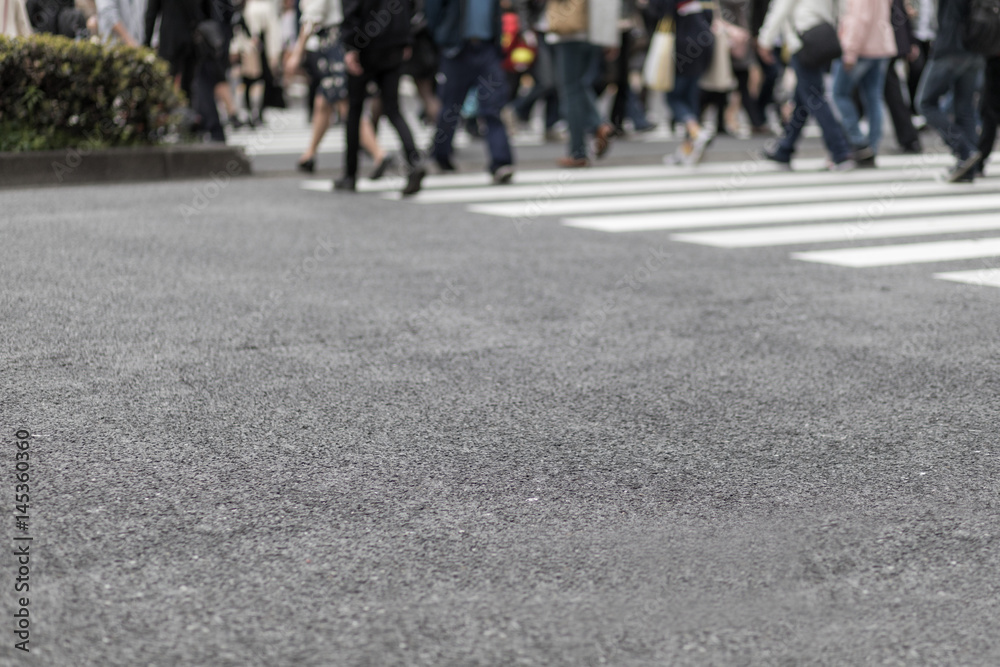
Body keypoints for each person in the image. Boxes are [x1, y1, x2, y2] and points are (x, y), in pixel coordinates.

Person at [337, 0, 426, 194]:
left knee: (354, 109)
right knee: (393, 109)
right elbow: (411, 6)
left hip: (365, 43)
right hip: (394, 42)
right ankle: (414, 160)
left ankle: (350, 174)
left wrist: (351, 46)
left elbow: (351, 10)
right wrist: (406, 38)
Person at [756, 0, 855, 170]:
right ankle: (785, 149)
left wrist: (765, 40)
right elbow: (842, 8)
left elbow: (781, 8)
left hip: (803, 39)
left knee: (814, 97)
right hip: (822, 36)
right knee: (804, 98)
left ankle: (840, 150)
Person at [426, 0, 516, 183]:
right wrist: (443, 38)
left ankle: (501, 162)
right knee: (451, 106)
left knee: (493, 107)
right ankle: (440, 155)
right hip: (457, 50)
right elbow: (432, 11)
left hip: (487, 48)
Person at [915, 0, 983, 182]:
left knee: (925, 104)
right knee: (965, 108)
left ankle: (964, 151)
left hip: (950, 48)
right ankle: (970, 166)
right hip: (975, 48)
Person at [548, 0, 618, 167]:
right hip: (593, 31)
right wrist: (609, 37)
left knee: (571, 90)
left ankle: (578, 151)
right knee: (579, 86)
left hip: (570, 31)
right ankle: (598, 125)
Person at [830, 0, 895, 167]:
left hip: (862, 48)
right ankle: (871, 147)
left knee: (839, 93)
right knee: (873, 97)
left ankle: (858, 141)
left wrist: (850, 51)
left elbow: (859, 19)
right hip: (880, 45)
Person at [651, 0, 715, 165]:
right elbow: (710, 13)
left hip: (682, 43)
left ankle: (696, 132)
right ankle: (688, 149)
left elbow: (660, 12)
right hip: (703, 39)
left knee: (674, 97)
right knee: (691, 95)